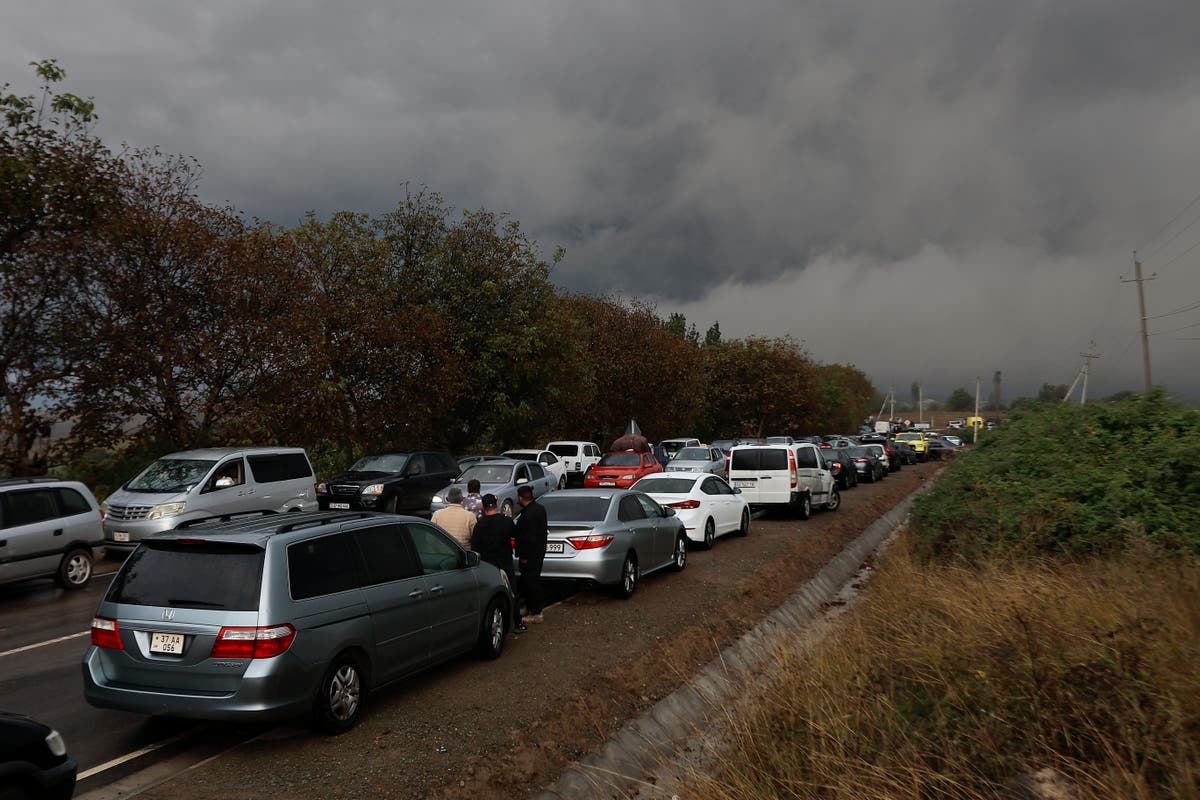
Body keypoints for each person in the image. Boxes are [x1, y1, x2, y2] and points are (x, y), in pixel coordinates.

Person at [470, 493, 523, 632]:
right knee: (512, 592)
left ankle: (493, 623)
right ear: (496, 505)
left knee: (491, 594)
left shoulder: (480, 524)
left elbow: (475, 547)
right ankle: (517, 623)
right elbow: (516, 536)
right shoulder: (506, 521)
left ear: (483, 507)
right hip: (505, 561)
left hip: (488, 564)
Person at [513, 485, 548, 624]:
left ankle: (536, 612)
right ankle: (530, 607)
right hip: (538, 552)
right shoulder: (539, 509)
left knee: (531, 583)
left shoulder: (528, 514)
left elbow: (529, 537)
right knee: (531, 581)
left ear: (521, 498)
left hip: (530, 555)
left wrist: (525, 556)